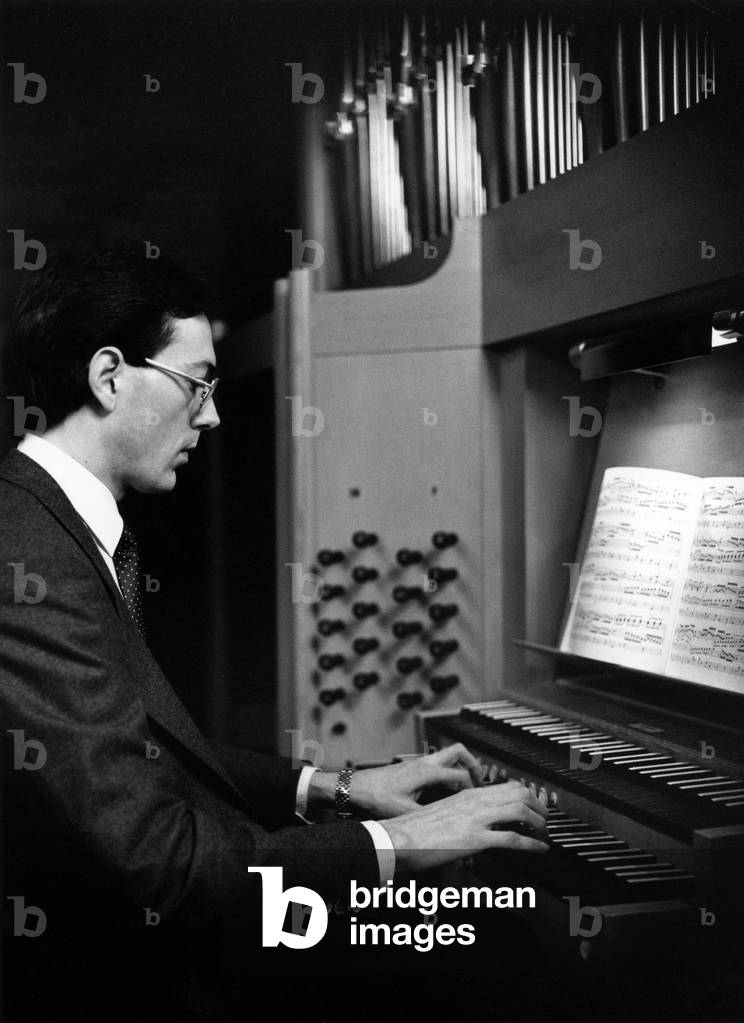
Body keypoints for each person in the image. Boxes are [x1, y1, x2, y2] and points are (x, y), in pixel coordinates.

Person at [0, 243, 549, 1021]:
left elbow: (127, 740)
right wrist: (405, 840)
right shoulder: (27, 557)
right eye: (199, 383)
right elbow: (163, 869)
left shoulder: (56, 526)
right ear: (109, 376)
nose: (215, 413)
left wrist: (332, 788)